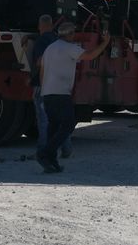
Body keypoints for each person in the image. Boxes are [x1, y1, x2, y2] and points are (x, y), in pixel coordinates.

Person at [35, 21, 109, 174]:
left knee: (53, 127)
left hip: (47, 93)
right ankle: (44, 153)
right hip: (61, 93)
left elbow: (42, 69)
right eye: (73, 33)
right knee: (68, 125)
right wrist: (105, 43)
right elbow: (91, 56)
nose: (74, 35)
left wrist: (44, 88)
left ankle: (51, 161)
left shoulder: (50, 48)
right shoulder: (69, 48)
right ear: (69, 34)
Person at [25, 15, 69, 160]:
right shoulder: (58, 40)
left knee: (43, 120)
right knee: (60, 119)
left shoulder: (41, 42)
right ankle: (66, 148)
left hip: (43, 85)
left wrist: (32, 78)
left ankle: (42, 150)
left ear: (40, 26)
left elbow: (39, 62)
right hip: (60, 85)